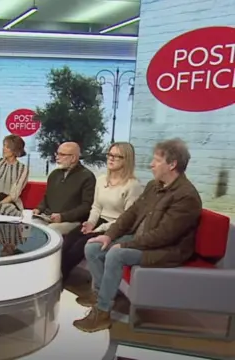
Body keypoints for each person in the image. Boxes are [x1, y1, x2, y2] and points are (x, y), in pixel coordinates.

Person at [73, 138, 201, 333]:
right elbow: (131, 213)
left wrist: (125, 246)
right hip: (142, 240)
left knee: (116, 254)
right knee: (92, 247)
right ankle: (100, 295)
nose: (151, 164)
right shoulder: (153, 185)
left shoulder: (186, 196)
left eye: (157, 160)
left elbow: (164, 236)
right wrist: (110, 235)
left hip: (167, 250)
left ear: (172, 164)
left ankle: (102, 312)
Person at [61, 142, 142, 280]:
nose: (111, 159)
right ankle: (57, 276)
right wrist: (91, 223)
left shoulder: (133, 185)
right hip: (99, 221)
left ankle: (61, 277)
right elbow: (96, 206)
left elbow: (127, 218)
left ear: (126, 160)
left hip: (116, 226)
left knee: (80, 245)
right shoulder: (101, 180)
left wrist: (100, 228)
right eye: (110, 154)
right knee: (69, 240)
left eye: (117, 156)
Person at [33, 142, 96, 234]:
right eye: (57, 154)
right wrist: (39, 208)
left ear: (73, 158)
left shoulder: (87, 176)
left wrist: (63, 217)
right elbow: (47, 197)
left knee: (51, 230)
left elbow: (86, 206)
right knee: (31, 225)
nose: (57, 157)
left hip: (72, 221)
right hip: (48, 217)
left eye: (62, 154)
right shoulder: (54, 174)